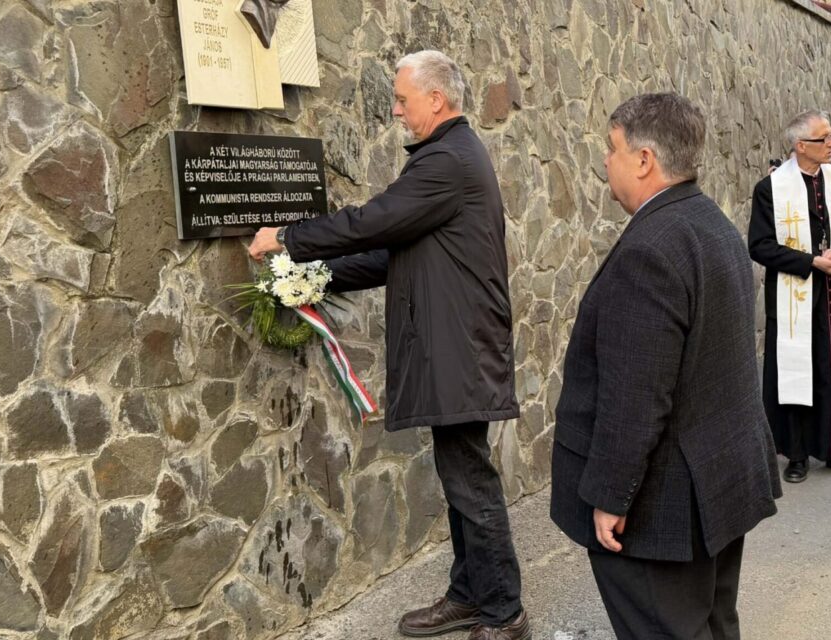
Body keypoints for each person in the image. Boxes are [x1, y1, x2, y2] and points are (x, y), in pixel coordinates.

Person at [247, 50, 528, 639]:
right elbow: (390, 254)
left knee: (470, 483)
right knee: (461, 479)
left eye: (403, 99)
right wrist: (315, 277)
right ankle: (470, 595)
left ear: (436, 99)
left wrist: (288, 239)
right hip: (456, 347)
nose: (396, 110)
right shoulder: (448, 157)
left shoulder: (447, 161)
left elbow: (370, 222)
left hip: (459, 350)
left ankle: (505, 614)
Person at [550, 93, 781, 640]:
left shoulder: (651, 248)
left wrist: (610, 496)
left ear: (644, 159)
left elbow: (636, 397)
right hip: (715, 482)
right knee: (712, 624)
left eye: (612, 148)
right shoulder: (710, 222)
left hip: (665, 506)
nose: (605, 160)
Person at [749, 109, 831, 484]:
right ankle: (797, 455)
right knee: (796, 373)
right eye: (824, 138)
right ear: (801, 145)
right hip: (794, 295)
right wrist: (811, 262)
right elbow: (760, 246)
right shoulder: (770, 188)